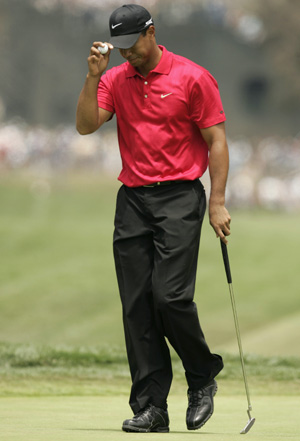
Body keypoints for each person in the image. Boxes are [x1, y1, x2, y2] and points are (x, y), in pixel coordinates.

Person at [76, 4, 231, 433]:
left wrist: (216, 201)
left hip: (181, 196)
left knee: (170, 298)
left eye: (133, 46)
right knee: (137, 306)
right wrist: (93, 76)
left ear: (151, 32)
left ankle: (201, 375)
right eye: (120, 49)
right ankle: (152, 406)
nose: (128, 56)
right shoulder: (113, 79)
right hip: (133, 199)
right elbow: (87, 126)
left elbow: (216, 140)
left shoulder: (192, 77)